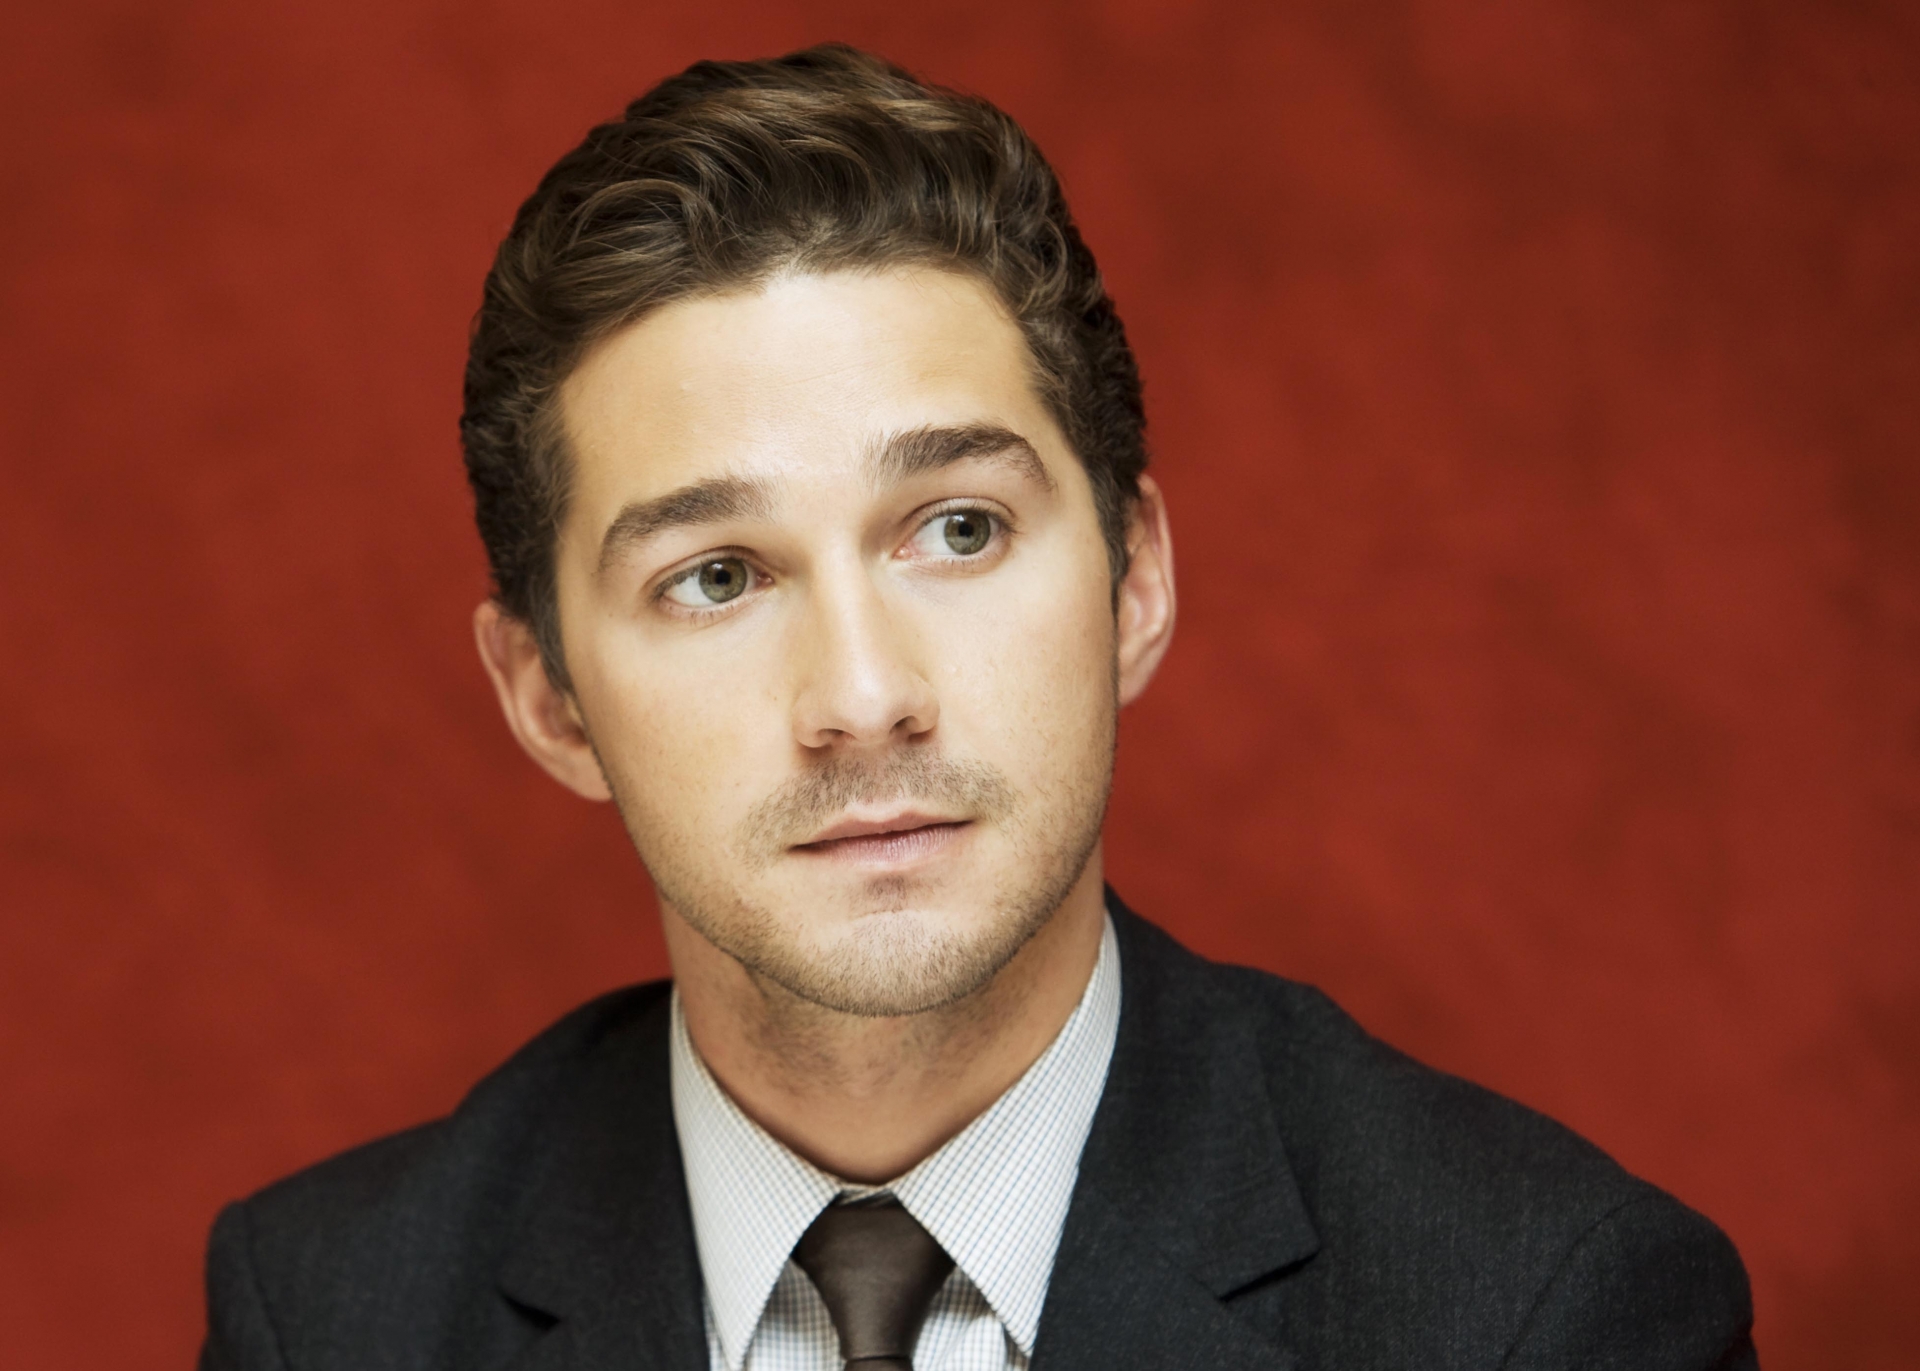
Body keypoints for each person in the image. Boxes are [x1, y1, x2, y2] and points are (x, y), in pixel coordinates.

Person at [198, 44, 1757, 1371]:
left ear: (1135, 581)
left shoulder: (1543, 1311)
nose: (864, 697)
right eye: (718, 576)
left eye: (957, 529)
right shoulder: (327, 1317)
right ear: (548, 700)